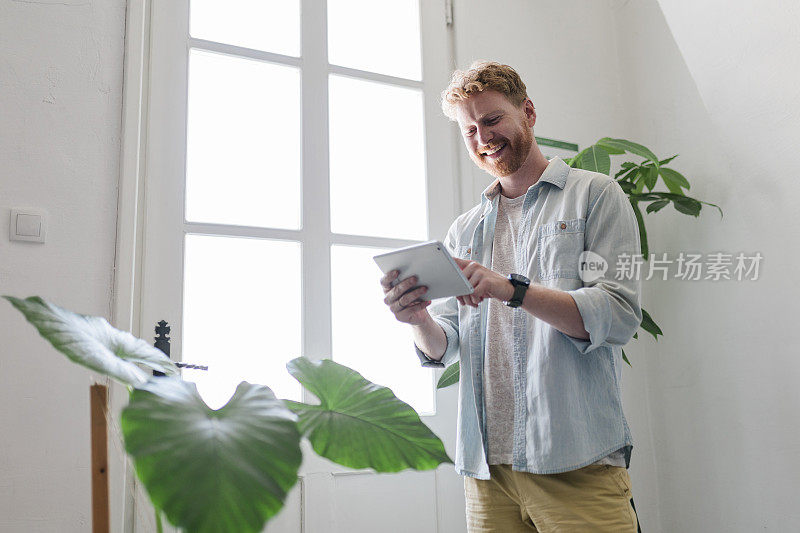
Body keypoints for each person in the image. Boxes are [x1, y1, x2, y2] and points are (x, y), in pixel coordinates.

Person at [379, 61, 643, 532]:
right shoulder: (465, 229)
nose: (483, 136)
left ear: (528, 112)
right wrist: (418, 319)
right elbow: (447, 343)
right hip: (487, 473)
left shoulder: (595, 195)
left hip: (576, 464)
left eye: (493, 119)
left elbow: (618, 315)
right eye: (470, 129)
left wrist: (511, 289)